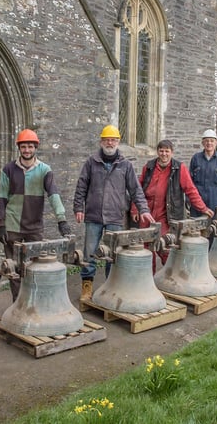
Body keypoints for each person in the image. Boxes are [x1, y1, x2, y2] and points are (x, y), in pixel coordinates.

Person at [73, 125, 155, 301]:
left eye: (113, 140)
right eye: (107, 139)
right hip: (94, 215)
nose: (110, 143)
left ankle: (110, 288)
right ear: (101, 141)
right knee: (89, 253)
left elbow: (135, 190)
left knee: (112, 254)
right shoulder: (91, 162)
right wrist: (78, 208)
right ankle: (87, 288)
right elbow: (81, 186)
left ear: (118, 142)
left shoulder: (125, 165)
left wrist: (144, 209)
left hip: (115, 216)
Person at [0, 129, 71, 301]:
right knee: (14, 267)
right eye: (24, 147)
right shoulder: (8, 169)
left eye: (30, 146)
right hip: (13, 225)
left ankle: (34, 302)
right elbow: (1, 197)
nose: (27, 150)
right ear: (19, 148)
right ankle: (17, 303)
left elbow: (53, 195)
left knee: (36, 266)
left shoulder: (45, 170)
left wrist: (62, 220)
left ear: (35, 148)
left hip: (34, 226)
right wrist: (1, 224)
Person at [130, 139, 213, 273]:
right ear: (157, 152)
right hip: (147, 214)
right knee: (145, 248)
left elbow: (190, 190)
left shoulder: (179, 168)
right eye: (161, 151)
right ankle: (147, 279)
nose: (164, 154)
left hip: (166, 214)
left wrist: (202, 208)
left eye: (167, 151)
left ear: (172, 152)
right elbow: (138, 190)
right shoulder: (149, 167)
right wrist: (135, 209)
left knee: (166, 246)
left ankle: (171, 276)